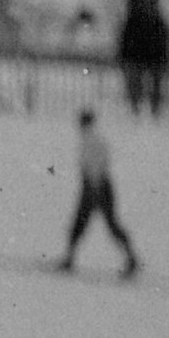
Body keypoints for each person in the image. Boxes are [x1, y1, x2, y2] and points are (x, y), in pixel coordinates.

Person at [58, 108, 137, 277]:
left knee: (81, 222)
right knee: (110, 223)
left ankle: (69, 258)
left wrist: (93, 186)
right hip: (101, 184)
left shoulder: (89, 140)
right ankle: (131, 258)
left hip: (95, 185)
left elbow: (94, 166)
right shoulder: (96, 139)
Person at [118, 0, 169, 115]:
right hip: (147, 47)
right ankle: (149, 109)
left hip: (140, 47)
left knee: (139, 82)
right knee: (149, 83)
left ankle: (142, 109)